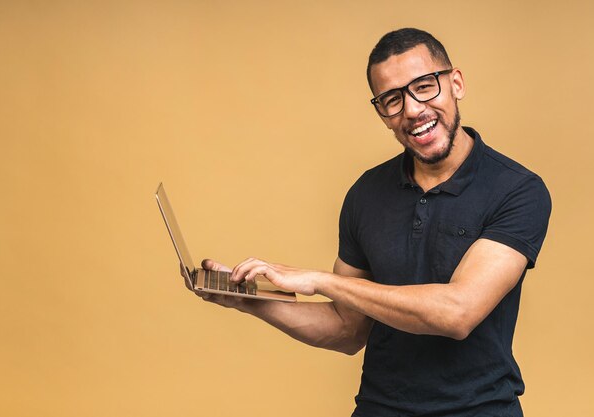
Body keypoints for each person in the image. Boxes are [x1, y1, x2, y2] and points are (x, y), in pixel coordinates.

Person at [190, 28, 551, 417]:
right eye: (392, 100)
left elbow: (457, 312)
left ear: (456, 83)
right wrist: (249, 300)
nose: (412, 110)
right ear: (382, 113)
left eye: (424, 87)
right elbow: (346, 329)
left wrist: (322, 281)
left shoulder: (517, 190)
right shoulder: (366, 193)